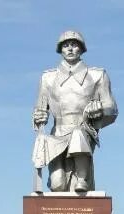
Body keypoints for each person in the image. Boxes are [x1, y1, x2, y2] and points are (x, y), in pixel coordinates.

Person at [32, 30, 118, 192]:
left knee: (78, 135)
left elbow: (111, 107)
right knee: (58, 185)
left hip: (83, 130)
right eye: (66, 45)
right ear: (61, 50)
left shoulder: (97, 75)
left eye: (74, 45)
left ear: (81, 49)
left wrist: (99, 108)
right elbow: (40, 108)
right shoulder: (48, 78)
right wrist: (39, 116)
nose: (70, 49)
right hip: (57, 134)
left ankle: (82, 178)